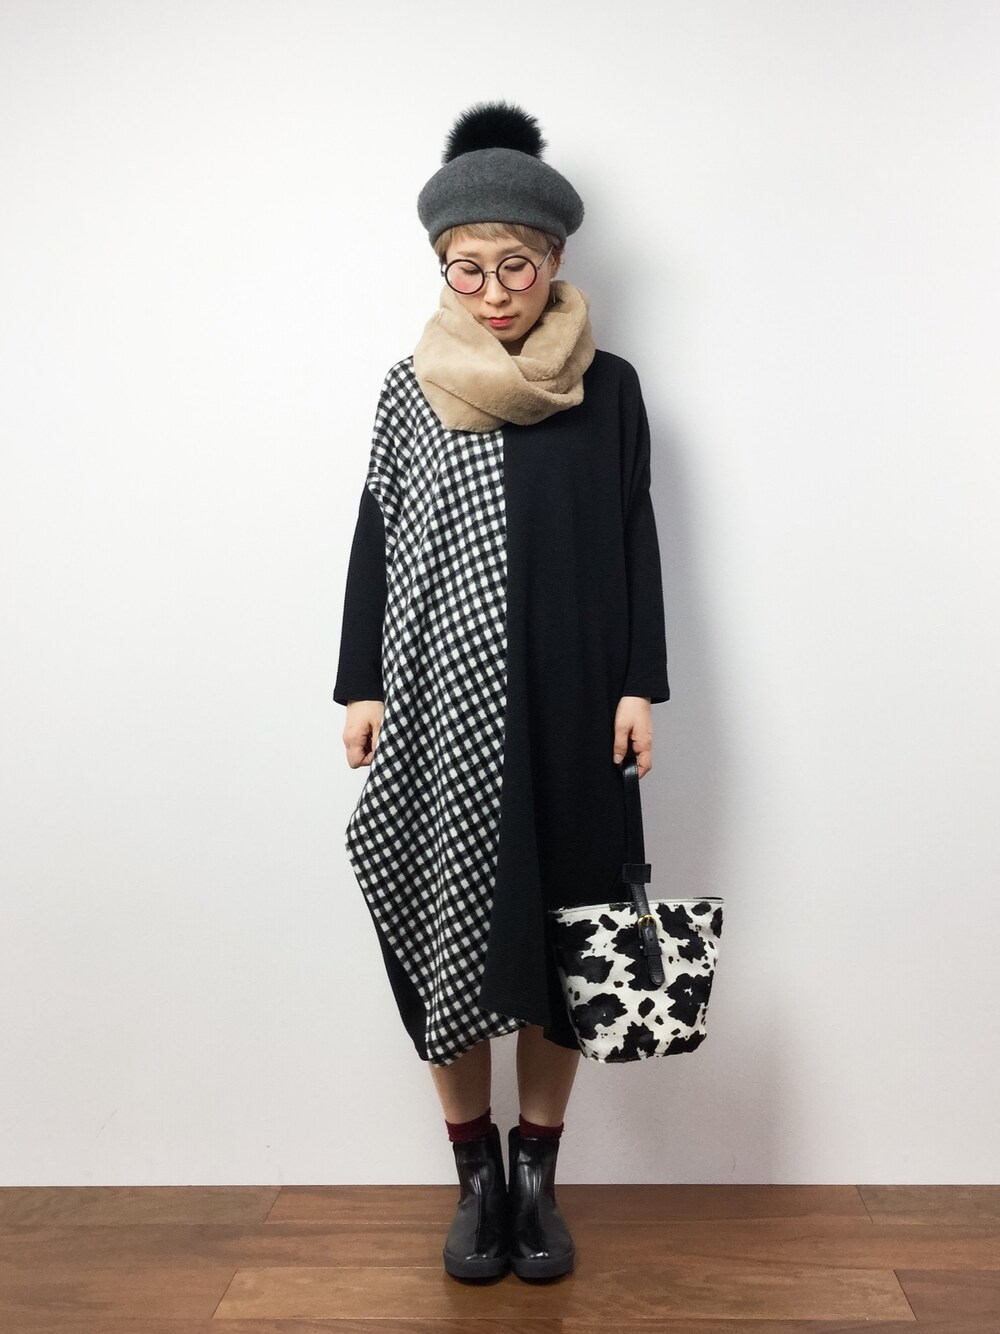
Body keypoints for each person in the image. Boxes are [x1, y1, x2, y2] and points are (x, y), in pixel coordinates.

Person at [333, 100, 670, 1282]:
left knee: (569, 938)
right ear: (442, 266)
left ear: (555, 258)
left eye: (513, 265)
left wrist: (639, 684)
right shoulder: (410, 388)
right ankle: (474, 1175)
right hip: (442, 706)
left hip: (576, 707)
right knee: (448, 931)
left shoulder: (608, 388)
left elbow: (633, 533)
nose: (490, 292)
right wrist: (360, 682)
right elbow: (376, 534)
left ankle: (537, 1177)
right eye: (464, 268)